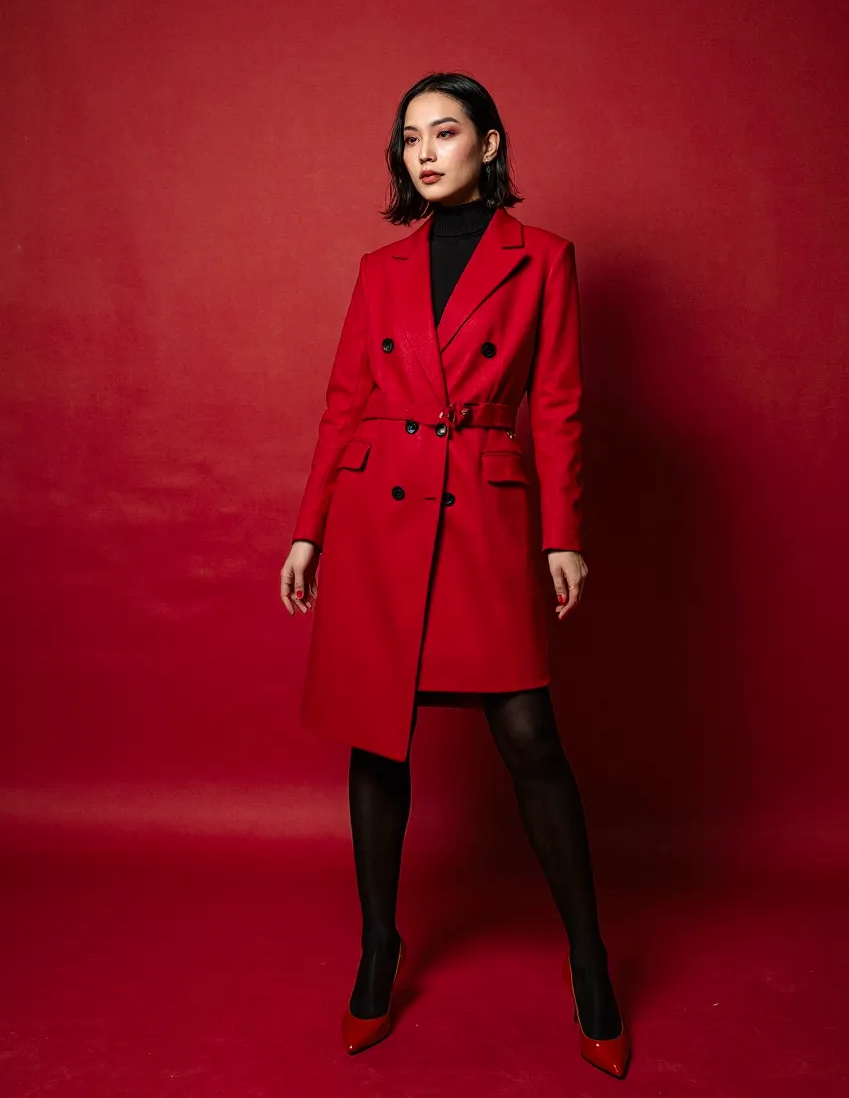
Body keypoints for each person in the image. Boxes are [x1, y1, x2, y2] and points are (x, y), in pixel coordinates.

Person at [279, 72, 630, 1079]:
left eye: (442, 133)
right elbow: (342, 401)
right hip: (376, 506)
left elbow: (557, 403)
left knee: (527, 732)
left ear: (488, 142)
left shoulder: (544, 260)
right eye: (406, 140)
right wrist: (308, 529)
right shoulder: (379, 266)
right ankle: (378, 945)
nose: (422, 153)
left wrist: (561, 534)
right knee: (373, 732)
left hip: (480, 501)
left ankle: (588, 956)